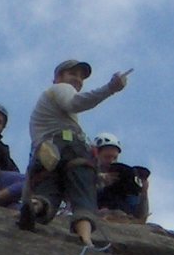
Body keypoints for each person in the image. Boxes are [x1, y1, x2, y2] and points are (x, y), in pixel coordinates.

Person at [20, 59, 129, 244]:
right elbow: (75, 103)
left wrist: (25, 198)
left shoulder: (45, 106)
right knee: (83, 191)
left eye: (81, 77)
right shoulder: (60, 89)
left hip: (45, 153)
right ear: (58, 78)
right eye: (73, 74)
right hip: (69, 145)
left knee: (49, 191)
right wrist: (110, 88)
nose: (78, 80)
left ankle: (35, 207)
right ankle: (85, 239)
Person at [90, 133, 151, 223]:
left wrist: (144, 193)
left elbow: (141, 216)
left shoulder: (123, 179)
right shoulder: (87, 172)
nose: (111, 161)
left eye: (114, 157)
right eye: (107, 157)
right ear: (96, 154)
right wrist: (100, 179)